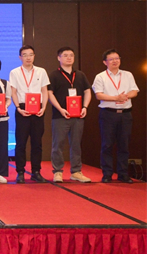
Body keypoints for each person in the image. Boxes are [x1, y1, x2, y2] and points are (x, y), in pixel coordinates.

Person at [92, 49, 140, 183]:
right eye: (111, 59)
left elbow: (135, 91)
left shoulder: (128, 75)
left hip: (125, 114)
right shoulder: (100, 76)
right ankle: (107, 174)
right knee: (107, 144)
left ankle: (123, 174)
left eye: (117, 58)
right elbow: (99, 95)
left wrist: (125, 96)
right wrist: (116, 98)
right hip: (108, 114)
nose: (115, 61)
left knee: (124, 145)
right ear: (105, 62)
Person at [47, 47, 92, 183]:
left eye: (71, 55)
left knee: (76, 144)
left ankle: (76, 171)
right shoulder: (54, 75)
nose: (68, 58)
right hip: (60, 116)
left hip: (78, 116)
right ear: (58, 58)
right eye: (65, 55)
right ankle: (58, 171)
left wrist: (85, 107)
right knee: (58, 145)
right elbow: (49, 94)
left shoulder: (80, 75)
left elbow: (87, 91)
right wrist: (60, 109)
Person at [9, 45, 50, 183]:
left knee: (37, 143)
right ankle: (20, 172)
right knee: (21, 142)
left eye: (30, 54)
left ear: (34, 56)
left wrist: (43, 107)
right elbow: (13, 92)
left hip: (38, 109)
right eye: (25, 55)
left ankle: (36, 172)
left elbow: (44, 91)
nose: (28, 57)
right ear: (20, 57)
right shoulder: (15, 72)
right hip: (22, 109)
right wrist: (18, 107)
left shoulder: (41, 71)